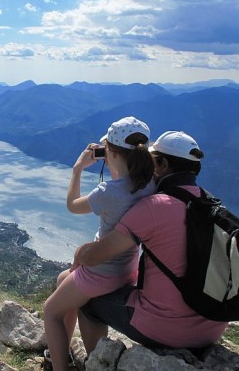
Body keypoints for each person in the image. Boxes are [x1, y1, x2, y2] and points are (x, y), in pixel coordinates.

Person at [73, 130, 229, 355]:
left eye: (151, 161)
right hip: (213, 325)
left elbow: (94, 257)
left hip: (167, 328)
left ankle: (97, 363)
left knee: (87, 300)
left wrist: (81, 252)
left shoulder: (154, 206)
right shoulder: (209, 203)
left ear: (163, 165)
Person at [43, 116, 156, 371]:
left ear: (110, 152)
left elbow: (72, 205)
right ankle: (58, 353)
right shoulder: (151, 183)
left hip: (100, 272)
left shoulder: (109, 192)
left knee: (51, 311)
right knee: (63, 280)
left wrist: (78, 168)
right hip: (127, 270)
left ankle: (60, 367)